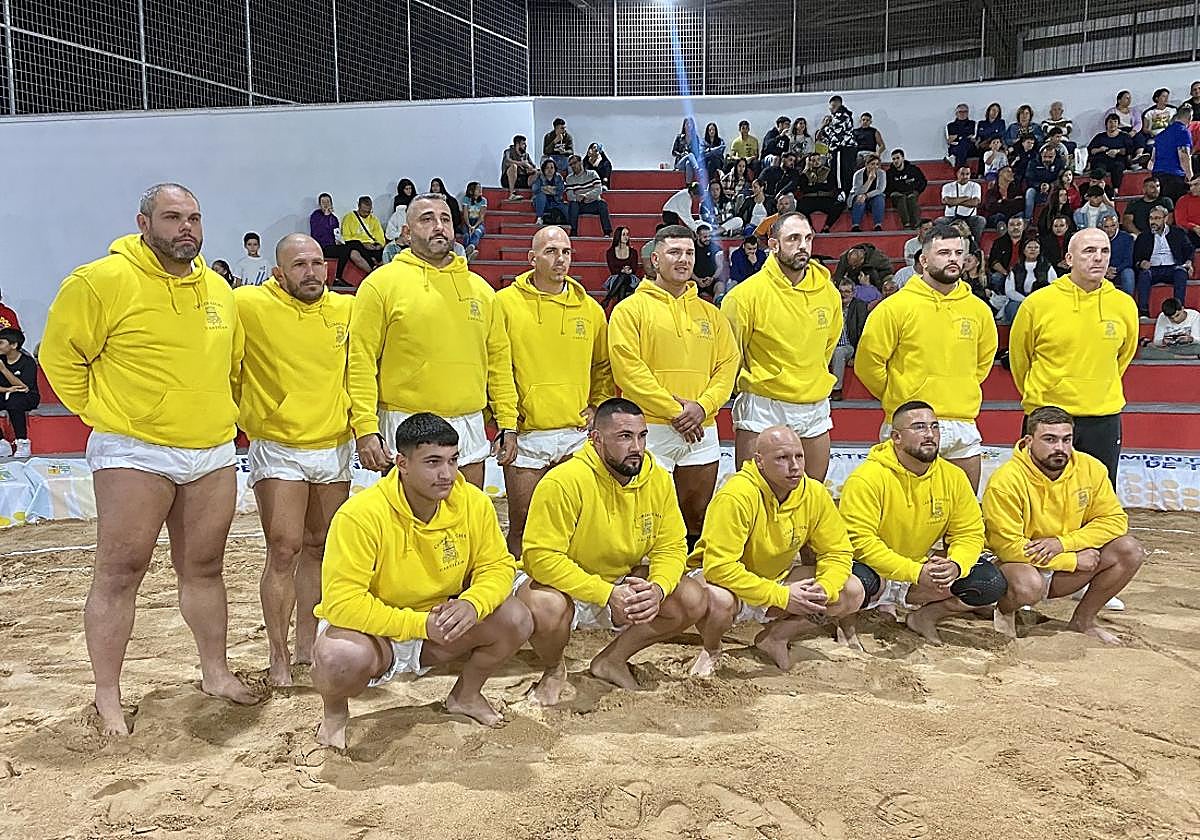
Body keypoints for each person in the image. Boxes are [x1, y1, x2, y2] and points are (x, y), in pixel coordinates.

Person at [39, 183, 259, 735]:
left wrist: (220, 415)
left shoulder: (219, 289)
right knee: (120, 571)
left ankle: (215, 672)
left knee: (205, 568)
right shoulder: (99, 281)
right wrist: (105, 412)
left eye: (194, 218)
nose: (186, 227)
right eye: (172, 217)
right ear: (143, 223)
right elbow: (60, 358)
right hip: (134, 447)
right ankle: (107, 694)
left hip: (210, 448)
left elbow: (232, 363)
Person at [312, 413, 530, 745]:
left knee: (516, 617)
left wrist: (472, 603)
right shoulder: (359, 515)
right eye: (433, 462)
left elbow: (498, 567)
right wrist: (420, 625)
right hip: (376, 633)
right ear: (402, 463)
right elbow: (342, 604)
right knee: (337, 656)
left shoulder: (474, 502)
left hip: (438, 625)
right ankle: (334, 715)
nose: (447, 474)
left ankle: (466, 695)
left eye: (453, 460)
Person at [517, 398, 705, 703]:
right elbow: (540, 559)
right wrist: (605, 593)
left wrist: (657, 589)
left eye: (642, 436)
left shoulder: (658, 478)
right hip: (566, 588)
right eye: (625, 437)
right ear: (596, 438)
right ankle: (553, 669)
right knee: (544, 605)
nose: (637, 447)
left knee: (692, 597)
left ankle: (612, 660)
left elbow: (671, 546)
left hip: (620, 582)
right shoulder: (563, 481)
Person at [232, 233, 354, 687]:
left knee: (322, 546)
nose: (311, 272)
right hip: (279, 445)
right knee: (284, 549)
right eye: (299, 265)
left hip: (333, 444)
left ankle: (308, 645)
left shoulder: (346, 309)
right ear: (278, 273)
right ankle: (278, 654)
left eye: (317, 263)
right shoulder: (247, 305)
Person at [348, 193, 518, 489]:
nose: (439, 226)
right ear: (406, 232)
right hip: (404, 420)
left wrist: (507, 421)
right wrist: (365, 427)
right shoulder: (380, 285)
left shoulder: (481, 291)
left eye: (445, 219)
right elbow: (361, 362)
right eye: (427, 219)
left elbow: (498, 363)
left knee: (467, 515)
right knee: (405, 518)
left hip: (468, 422)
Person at [688, 426, 863, 675]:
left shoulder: (814, 492)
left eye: (799, 456)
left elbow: (837, 551)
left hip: (777, 579)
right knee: (718, 600)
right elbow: (719, 568)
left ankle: (776, 637)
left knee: (851, 590)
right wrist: (781, 596)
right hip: (725, 584)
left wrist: (826, 587)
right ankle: (712, 649)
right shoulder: (736, 495)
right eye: (782, 458)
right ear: (759, 461)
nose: (794, 466)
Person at [609, 226, 738, 549]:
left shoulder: (711, 314)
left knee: (696, 516)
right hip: (650, 428)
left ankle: (688, 575)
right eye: (675, 252)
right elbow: (628, 371)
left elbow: (727, 366)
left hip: (701, 428)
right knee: (646, 519)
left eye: (689, 253)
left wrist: (702, 408)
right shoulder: (629, 310)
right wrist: (677, 411)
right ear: (655, 259)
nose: (684, 260)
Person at [839, 401, 1006, 644]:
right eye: (919, 427)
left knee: (990, 583)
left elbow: (969, 533)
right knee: (853, 583)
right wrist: (914, 571)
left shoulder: (953, 476)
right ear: (896, 437)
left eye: (934, 427)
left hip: (919, 568)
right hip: (873, 569)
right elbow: (860, 544)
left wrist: (956, 565)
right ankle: (846, 625)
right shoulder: (866, 478)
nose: (929, 434)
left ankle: (925, 617)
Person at [495, 226, 614, 561]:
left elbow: (602, 366)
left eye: (566, 251)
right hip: (527, 434)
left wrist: (598, 406)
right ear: (532, 258)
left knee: (576, 527)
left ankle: (570, 589)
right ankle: (519, 587)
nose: (560, 259)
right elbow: (497, 368)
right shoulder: (503, 304)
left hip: (575, 434)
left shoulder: (590, 309)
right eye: (551, 251)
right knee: (522, 524)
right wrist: (506, 423)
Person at [983, 406, 1143, 644]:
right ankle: (1004, 611)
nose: (1060, 448)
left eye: (1066, 440)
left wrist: (1062, 544)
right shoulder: (1005, 481)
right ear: (1028, 441)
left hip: (1066, 560)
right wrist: (1072, 560)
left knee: (1129, 550)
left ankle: (1083, 621)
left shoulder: (1091, 468)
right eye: (1050, 439)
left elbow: (1115, 520)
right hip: (1020, 566)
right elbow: (1007, 548)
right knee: (1028, 585)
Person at [855, 224, 998, 491]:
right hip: (909, 421)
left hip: (962, 421)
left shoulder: (979, 310)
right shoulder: (894, 307)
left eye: (958, 253)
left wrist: (960, 388)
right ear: (923, 260)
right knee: (903, 509)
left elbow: (983, 362)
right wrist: (898, 395)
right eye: (944, 253)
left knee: (963, 508)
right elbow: (868, 363)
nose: (953, 259)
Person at [1009, 228, 1139, 486]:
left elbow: (1123, 356)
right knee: (1038, 494)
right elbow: (1019, 359)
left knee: (1097, 496)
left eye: (1104, 251)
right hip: (1047, 416)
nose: (1098, 257)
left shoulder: (1124, 305)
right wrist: (1043, 395)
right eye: (1089, 251)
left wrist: (1098, 386)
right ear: (1069, 259)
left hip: (1103, 417)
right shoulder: (1037, 304)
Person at [722, 212, 840, 481]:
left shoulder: (829, 293)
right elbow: (731, 356)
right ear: (773, 245)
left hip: (814, 403)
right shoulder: (744, 296)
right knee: (754, 493)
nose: (803, 246)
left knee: (811, 495)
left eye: (808, 238)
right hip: (763, 404)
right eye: (793, 238)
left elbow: (827, 348)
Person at [1133, 205, 1195, 319]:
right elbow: (1136, 258)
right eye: (1151, 218)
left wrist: (1189, 261)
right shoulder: (1143, 236)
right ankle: (1143, 312)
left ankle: (1178, 308)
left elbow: (1189, 249)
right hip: (1152, 269)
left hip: (1173, 267)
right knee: (1144, 274)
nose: (1153, 222)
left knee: (1181, 272)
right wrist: (1141, 263)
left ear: (1165, 219)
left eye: (1157, 218)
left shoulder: (1178, 232)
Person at [310, 193, 368, 282]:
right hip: (322, 247)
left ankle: (371, 264)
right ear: (319, 205)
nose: (326, 205)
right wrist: (326, 216)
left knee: (355, 243)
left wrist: (339, 241)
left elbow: (336, 233)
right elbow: (317, 233)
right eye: (323, 202)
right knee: (345, 250)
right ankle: (338, 277)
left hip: (333, 245)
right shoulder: (316, 215)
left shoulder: (334, 218)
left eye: (328, 202)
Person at [0, 327, 38, 459]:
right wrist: (7, 389)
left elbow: (24, 387)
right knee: (11, 397)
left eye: (1, 343)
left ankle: (22, 442)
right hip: (5, 393)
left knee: (15, 400)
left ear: (14, 345)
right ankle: (2, 444)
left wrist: (4, 370)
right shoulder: (1, 359)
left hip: (28, 396)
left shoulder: (28, 362)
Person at [830, 279, 868, 399]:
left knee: (839, 351)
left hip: (849, 346)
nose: (843, 294)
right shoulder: (832, 305)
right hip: (830, 346)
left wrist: (856, 356)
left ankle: (837, 389)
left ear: (853, 293)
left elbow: (863, 332)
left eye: (847, 291)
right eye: (841, 291)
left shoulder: (859, 306)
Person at [1150, 103, 1195, 203]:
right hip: (1175, 177)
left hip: (1158, 175)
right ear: (1190, 118)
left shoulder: (1161, 135)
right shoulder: (1183, 132)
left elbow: (1152, 159)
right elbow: (1184, 156)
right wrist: (1190, 177)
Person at [1003, 237, 1054, 323]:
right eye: (1029, 247)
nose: (1032, 250)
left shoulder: (1047, 267)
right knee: (1013, 307)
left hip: (1041, 299)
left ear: (1039, 251)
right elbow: (1009, 290)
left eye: (1036, 247)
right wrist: (1025, 300)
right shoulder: (1016, 268)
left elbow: (1053, 287)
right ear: (1024, 250)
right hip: (1020, 299)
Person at [794, 152, 846, 232]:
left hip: (825, 198)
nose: (816, 162)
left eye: (818, 159)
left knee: (840, 205)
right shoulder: (805, 174)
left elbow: (830, 187)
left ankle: (826, 227)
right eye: (813, 160)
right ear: (810, 162)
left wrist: (814, 186)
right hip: (810, 199)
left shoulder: (828, 171)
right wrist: (821, 186)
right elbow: (804, 189)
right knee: (800, 207)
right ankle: (810, 228)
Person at [563, 154, 612, 237]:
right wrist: (578, 198)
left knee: (602, 204)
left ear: (580, 162)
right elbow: (569, 195)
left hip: (592, 203)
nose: (573, 166)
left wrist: (585, 196)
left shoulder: (592, 174)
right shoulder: (569, 178)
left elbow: (598, 190)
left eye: (575, 163)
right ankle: (573, 231)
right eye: (571, 164)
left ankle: (607, 232)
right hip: (579, 205)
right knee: (573, 204)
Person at [821, 95, 858, 194]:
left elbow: (835, 136)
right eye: (831, 106)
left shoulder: (840, 116)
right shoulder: (845, 115)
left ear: (839, 105)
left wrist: (824, 127)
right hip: (847, 149)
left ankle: (841, 193)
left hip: (842, 149)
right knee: (845, 172)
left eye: (833, 106)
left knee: (840, 173)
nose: (831, 108)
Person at [1088, 114, 1134, 191]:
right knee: (1099, 168)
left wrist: (1117, 151)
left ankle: (1115, 189)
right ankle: (1097, 188)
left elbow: (1129, 150)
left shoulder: (1124, 137)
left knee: (1118, 167)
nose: (1112, 124)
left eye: (1115, 121)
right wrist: (1100, 149)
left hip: (1118, 160)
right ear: (1106, 124)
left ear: (1118, 124)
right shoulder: (1099, 137)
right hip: (1102, 160)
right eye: (1110, 122)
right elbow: (1091, 150)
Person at [940, 165, 985, 241]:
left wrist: (955, 202)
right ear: (957, 174)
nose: (965, 177)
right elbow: (948, 201)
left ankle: (974, 245)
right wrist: (965, 198)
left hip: (970, 217)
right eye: (962, 174)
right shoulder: (947, 186)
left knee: (981, 220)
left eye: (967, 174)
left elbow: (974, 202)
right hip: (951, 217)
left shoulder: (975, 186)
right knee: (939, 221)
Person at [886, 149, 928, 230]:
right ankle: (907, 225)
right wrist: (891, 193)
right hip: (897, 194)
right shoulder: (889, 173)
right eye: (893, 159)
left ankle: (916, 225)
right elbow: (886, 188)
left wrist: (917, 191)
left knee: (911, 197)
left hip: (911, 192)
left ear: (903, 158)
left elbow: (923, 182)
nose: (895, 161)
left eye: (898, 158)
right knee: (901, 198)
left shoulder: (913, 169)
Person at [340, 196, 385, 269]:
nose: (366, 214)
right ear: (358, 207)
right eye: (364, 211)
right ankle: (372, 270)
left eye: (369, 211)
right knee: (355, 251)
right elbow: (346, 238)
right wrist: (363, 244)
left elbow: (380, 236)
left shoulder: (374, 219)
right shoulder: (349, 218)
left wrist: (378, 245)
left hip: (372, 246)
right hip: (358, 246)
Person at [1024, 146, 1066, 223]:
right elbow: (1029, 179)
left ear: (1055, 156)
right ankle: (1028, 219)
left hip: (1053, 189)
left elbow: (1061, 178)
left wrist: (1050, 186)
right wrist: (1040, 185)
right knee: (1030, 192)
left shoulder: (1059, 163)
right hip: (1037, 189)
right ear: (1041, 155)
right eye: (1045, 156)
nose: (1047, 159)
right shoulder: (1033, 163)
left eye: (1050, 157)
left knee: (1062, 192)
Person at [987, 215, 1029, 292]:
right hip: (1005, 273)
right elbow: (993, 261)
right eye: (1012, 225)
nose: (1015, 227)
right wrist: (1006, 273)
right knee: (996, 277)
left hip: (1026, 273)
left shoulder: (1030, 242)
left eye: (1018, 224)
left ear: (1023, 227)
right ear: (1007, 227)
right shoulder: (999, 242)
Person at [602, 226, 640, 311]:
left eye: (627, 234)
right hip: (615, 279)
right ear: (618, 236)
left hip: (630, 279)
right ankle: (620, 309)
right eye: (623, 234)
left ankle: (608, 298)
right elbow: (612, 269)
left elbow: (634, 268)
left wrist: (629, 270)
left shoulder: (633, 252)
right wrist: (622, 270)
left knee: (625, 277)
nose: (626, 237)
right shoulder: (610, 252)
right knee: (622, 284)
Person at [848, 155, 887, 232]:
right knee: (859, 198)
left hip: (872, 198)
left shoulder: (881, 173)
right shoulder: (858, 174)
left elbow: (880, 189)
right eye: (872, 164)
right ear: (866, 164)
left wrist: (866, 195)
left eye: (877, 164)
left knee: (879, 198)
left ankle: (878, 225)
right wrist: (869, 180)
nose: (875, 167)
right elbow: (858, 191)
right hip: (859, 197)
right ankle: (855, 226)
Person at [692, 224, 729, 301]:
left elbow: (720, 267)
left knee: (720, 286)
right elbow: (687, 267)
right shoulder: (691, 248)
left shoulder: (716, 248)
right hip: (695, 280)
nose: (708, 239)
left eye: (709, 236)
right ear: (698, 236)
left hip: (711, 280)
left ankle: (717, 305)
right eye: (705, 237)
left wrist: (712, 278)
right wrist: (698, 280)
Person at [1102, 214, 1136, 295]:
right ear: (1101, 227)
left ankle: (1129, 300)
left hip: (1120, 271)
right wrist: (1105, 270)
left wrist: (1115, 270)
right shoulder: (1097, 239)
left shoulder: (1127, 238)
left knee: (1128, 272)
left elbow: (1128, 261)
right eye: (1106, 227)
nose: (1110, 230)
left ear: (1117, 225)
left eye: (1112, 226)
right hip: (1103, 271)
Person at [531, 159, 567, 223]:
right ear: (544, 169)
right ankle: (539, 218)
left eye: (552, 168)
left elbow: (560, 191)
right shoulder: (540, 177)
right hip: (543, 203)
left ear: (555, 169)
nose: (549, 170)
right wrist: (552, 189)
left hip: (556, 202)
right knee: (541, 195)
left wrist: (546, 189)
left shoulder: (559, 177)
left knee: (567, 208)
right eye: (547, 168)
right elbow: (535, 189)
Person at [460, 181, 487, 260]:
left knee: (477, 232)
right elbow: (465, 215)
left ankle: (471, 247)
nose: (480, 190)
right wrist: (469, 225)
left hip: (478, 222)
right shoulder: (466, 199)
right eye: (478, 188)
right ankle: (469, 253)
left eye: (480, 188)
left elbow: (481, 217)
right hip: (468, 221)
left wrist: (474, 226)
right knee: (466, 235)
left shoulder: (483, 200)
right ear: (471, 191)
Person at [945, 103, 977, 169]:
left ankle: (959, 168)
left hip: (970, 148)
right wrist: (965, 135)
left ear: (968, 113)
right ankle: (961, 169)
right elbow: (949, 140)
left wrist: (957, 136)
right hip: (955, 148)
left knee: (963, 142)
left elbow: (973, 138)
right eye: (960, 112)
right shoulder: (950, 125)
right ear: (956, 113)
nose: (963, 113)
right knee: (962, 143)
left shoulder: (973, 124)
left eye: (965, 111)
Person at [672, 118, 702, 183]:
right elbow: (673, 152)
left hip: (690, 163)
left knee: (688, 163)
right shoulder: (679, 137)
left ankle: (688, 184)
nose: (689, 126)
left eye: (690, 124)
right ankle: (697, 168)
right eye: (687, 124)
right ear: (684, 126)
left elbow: (697, 153)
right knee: (690, 155)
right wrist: (681, 154)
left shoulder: (695, 138)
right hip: (680, 163)